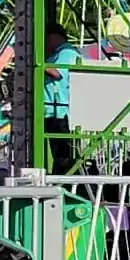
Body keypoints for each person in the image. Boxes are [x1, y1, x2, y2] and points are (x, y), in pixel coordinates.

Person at [42, 21, 81, 175]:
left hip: (62, 113)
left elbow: (57, 73)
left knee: (64, 155)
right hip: (52, 111)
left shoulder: (67, 53)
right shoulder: (55, 55)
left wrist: (36, 63)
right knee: (59, 154)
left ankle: (65, 181)